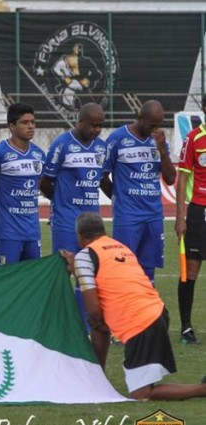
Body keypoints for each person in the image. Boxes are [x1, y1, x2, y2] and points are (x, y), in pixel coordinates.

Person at [63, 212, 206, 400]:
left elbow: (93, 311)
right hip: (157, 312)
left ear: (80, 236)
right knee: (100, 325)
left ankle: (202, 389)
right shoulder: (120, 247)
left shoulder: (84, 257)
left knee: (142, 394)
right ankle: (97, 379)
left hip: (141, 323)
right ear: (103, 231)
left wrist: (76, 268)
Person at [40, 103, 106, 330]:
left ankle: (84, 326)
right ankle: (56, 324)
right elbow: (45, 181)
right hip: (67, 221)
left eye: (100, 126)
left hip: (92, 223)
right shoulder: (62, 145)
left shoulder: (101, 147)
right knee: (63, 271)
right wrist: (60, 202)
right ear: (80, 121)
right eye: (93, 125)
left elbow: (102, 179)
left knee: (88, 274)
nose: (96, 130)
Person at [101, 100, 176, 286]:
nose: (155, 129)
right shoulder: (117, 138)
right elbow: (102, 175)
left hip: (154, 215)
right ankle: (123, 310)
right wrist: (118, 197)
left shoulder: (159, 141)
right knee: (124, 266)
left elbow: (170, 179)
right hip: (127, 216)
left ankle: (147, 312)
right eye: (152, 125)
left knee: (148, 270)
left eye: (159, 125)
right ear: (140, 117)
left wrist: (163, 152)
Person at [0, 103, 45, 265]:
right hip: (7, 233)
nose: (30, 126)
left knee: (33, 281)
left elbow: (40, 185)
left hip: (32, 232)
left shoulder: (39, 155)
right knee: (5, 281)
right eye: (24, 122)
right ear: (12, 126)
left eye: (33, 122)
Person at [175, 95, 206, 344]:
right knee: (191, 270)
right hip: (199, 211)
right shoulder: (194, 138)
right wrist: (180, 216)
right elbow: (182, 178)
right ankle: (186, 328)